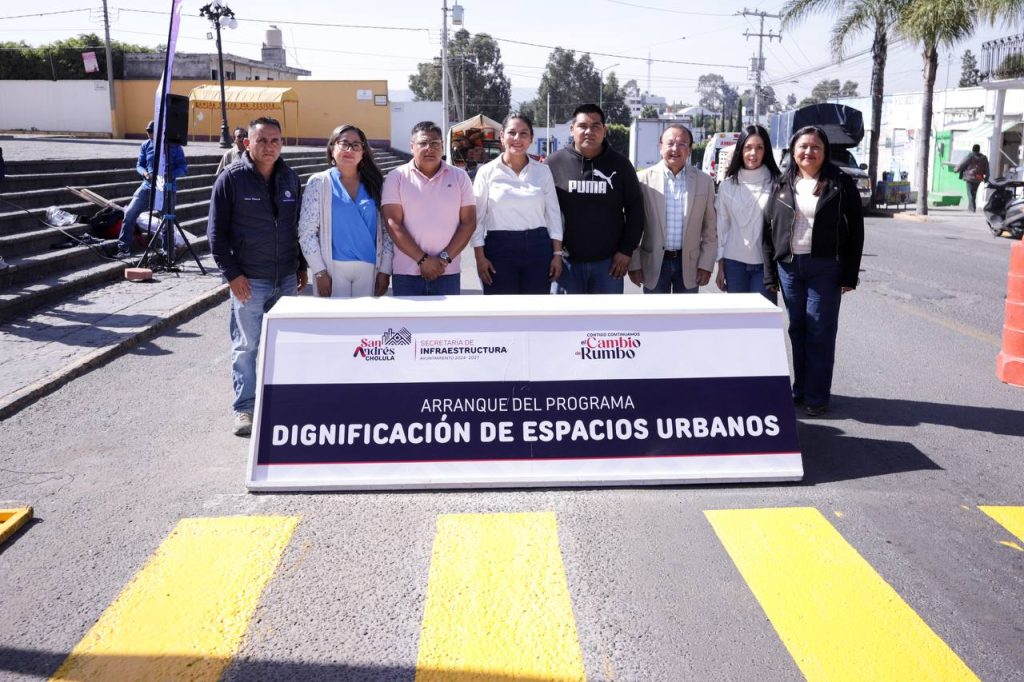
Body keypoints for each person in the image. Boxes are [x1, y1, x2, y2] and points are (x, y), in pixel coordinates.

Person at [207, 117, 308, 436]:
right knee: (247, 346)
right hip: (249, 279)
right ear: (247, 143)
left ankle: (280, 401)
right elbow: (215, 234)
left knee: (286, 344)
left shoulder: (290, 177)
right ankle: (245, 408)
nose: (269, 146)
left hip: (286, 278)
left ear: (282, 143)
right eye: (261, 140)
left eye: (275, 140)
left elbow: (297, 227)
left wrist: (301, 265)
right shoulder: (231, 179)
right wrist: (232, 274)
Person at [763, 125, 865, 417]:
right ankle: (801, 388)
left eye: (815, 147)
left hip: (825, 267)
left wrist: (849, 274)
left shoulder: (840, 183)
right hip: (789, 267)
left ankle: (818, 396)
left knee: (820, 330)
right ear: (793, 151)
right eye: (803, 147)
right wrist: (771, 273)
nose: (808, 152)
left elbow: (855, 230)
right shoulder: (782, 183)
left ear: (824, 151)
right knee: (798, 329)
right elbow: (769, 231)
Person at [547, 104, 644, 294]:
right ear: (572, 129)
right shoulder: (553, 163)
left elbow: (636, 210)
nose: (589, 132)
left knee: (606, 324)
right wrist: (553, 254)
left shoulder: (621, 165)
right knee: (566, 323)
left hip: (608, 265)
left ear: (604, 130)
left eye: (595, 126)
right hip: (566, 264)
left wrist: (626, 251)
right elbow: (543, 212)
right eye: (582, 126)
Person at [471, 113, 563, 294]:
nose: (517, 139)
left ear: (531, 139)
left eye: (523, 133)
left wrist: (557, 255)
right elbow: (477, 219)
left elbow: (553, 214)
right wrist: (480, 258)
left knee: (535, 313)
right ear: (501, 136)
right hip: (499, 250)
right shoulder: (486, 172)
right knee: (502, 313)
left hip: (539, 249)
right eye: (511, 133)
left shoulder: (543, 171)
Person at [382, 121, 476, 296]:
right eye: (423, 143)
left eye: (434, 143)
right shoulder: (396, 177)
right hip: (406, 274)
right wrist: (422, 260)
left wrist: (443, 259)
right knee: (407, 324)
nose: (429, 148)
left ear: (442, 146)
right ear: (412, 147)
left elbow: (468, 222)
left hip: (447, 272)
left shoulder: (460, 177)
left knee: (447, 324)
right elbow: (393, 223)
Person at [298, 124, 393, 298]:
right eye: (344, 143)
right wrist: (319, 271)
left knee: (366, 324)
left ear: (363, 151)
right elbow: (307, 232)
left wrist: (385, 271)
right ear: (332, 147)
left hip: (370, 268)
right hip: (332, 270)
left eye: (356, 145)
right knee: (333, 324)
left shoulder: (376, 184)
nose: (350, 149)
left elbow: (387, 232)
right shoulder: (319, 183)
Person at [628, 124, 716, 294]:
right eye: (670, 143)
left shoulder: (704, 182)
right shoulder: (641, 180)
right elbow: (632, 226)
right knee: (655, 319)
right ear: (660, 147)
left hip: (689, 264)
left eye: (682, 144)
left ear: (690, 150)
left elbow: (710, 229)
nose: (675, 148)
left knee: (686, 319)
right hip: (653, 263)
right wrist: (634, 263)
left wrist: (706, 264)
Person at [714, 124, 781, 302]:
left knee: (762, 322)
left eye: (759, 148)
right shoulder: (727, 186)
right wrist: (721, 266)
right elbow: (722, 227)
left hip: (764, 265)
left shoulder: (777, 184)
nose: (753, 153)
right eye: (748, 147)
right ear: (740, 150)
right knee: (738, 322)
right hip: (734, 263)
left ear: (766, 151)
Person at [116, 120, 188, 259]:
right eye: (147, 131)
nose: (148, 134)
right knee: (130, 213)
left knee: (166, 220)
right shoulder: (145, 145)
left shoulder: (174, 147)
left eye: (151, 131)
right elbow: (139, 165)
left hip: (166, 187)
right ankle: (123, 248)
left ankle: (168, 252)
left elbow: (183, 168)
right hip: (147, 186)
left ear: (160, 132)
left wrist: (171, 174)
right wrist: (144, 173)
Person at [956, 144, 990, 213]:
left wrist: (956, 169)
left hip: (970, 177)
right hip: (979, 177)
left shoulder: (970, 156)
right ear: (979, 149)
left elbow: (962, 164)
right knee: (974, 193)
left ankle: (972, 209)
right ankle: (971, 208)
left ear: (973, 149)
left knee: (970, 193)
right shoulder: (984, 158)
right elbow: (987, 169)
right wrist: (987, 177)